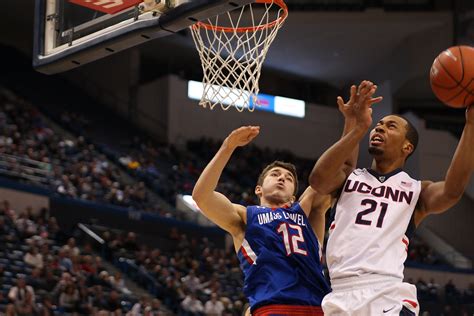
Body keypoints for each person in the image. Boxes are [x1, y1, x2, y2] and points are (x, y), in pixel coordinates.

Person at [192, 91, 363, 315]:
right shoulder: (245, 217)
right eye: (275, 174)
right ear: (258, 189)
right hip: (273, 307)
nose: (282, 177)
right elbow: (201, 196)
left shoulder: (308, 209)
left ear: (294, 195)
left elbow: (345, 171)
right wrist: (228, 146)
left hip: (316, 308)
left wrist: (352, 121)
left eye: (289, 178)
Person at [310, 80, 474, 315]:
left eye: (390, 126)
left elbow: (453, 190)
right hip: (339, 293)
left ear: (407, 147)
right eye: (378, 125)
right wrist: (357, 126)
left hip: (387, 293)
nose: (379, 128)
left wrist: (471, 124)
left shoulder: (417, 190)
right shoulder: (349, 177)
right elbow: (318, 180)